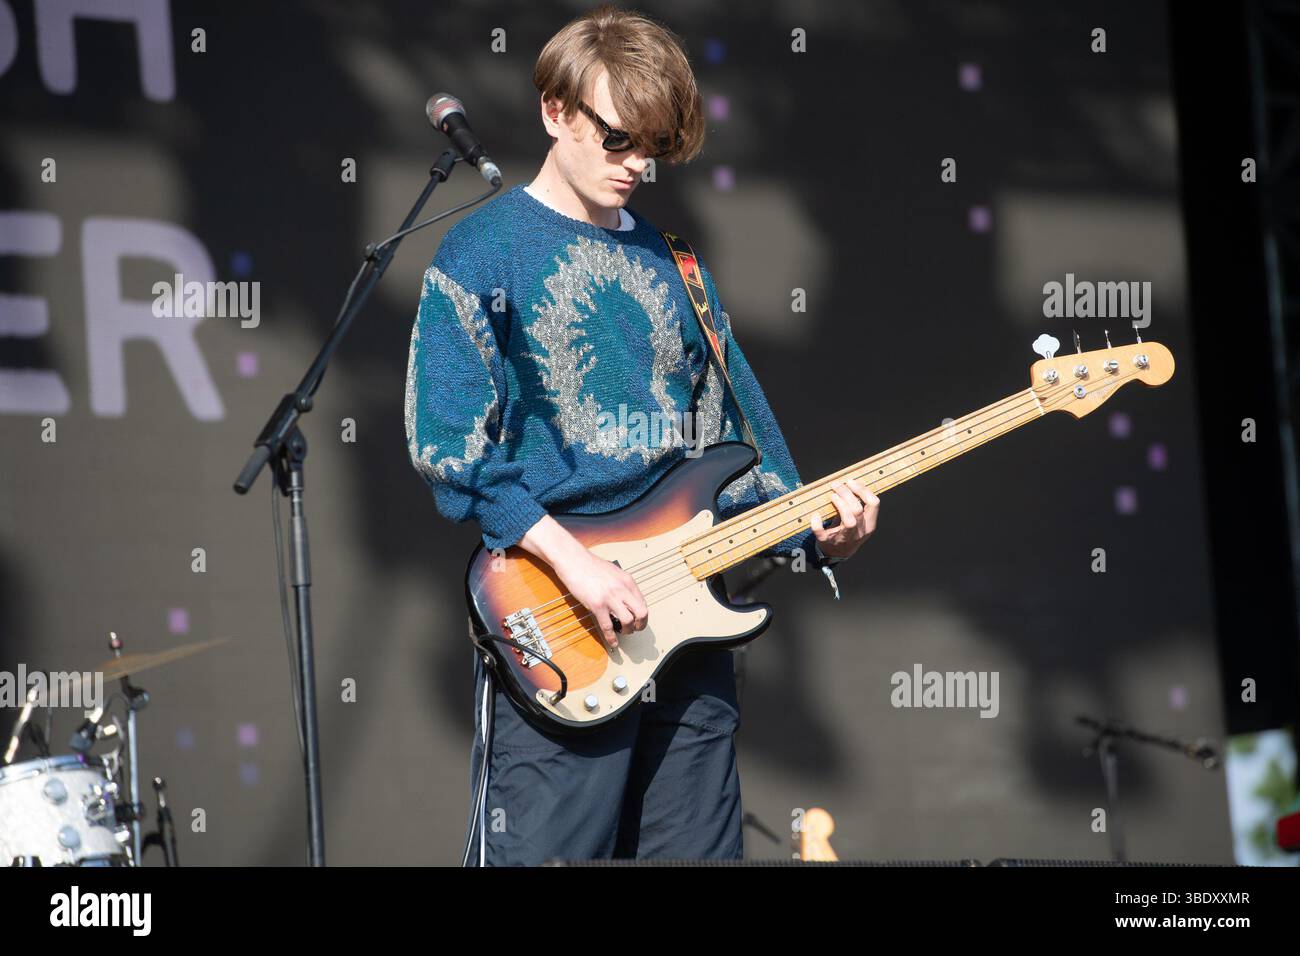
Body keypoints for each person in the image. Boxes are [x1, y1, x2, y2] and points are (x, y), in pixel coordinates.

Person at [404, 4, 879, 866]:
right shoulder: (479, 255)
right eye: (618, 138)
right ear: (556, 111)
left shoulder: (678, 266)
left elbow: (741, 442)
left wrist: (820, 534)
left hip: (690, 627)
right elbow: (448, 447)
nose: (637, 166)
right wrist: (576, 565)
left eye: (654, 147)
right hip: (560, 612)